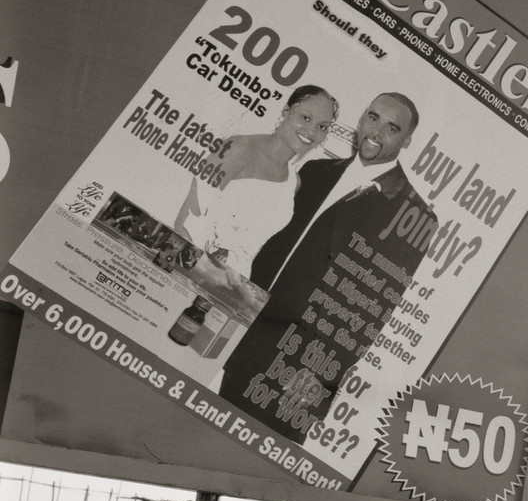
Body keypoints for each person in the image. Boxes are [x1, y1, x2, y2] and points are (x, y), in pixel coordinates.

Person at [219, 92, 434, 444]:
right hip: (244, 330)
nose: (376, 132)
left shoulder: (414, 214)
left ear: (406, 140)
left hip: (300, 364)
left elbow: (372, 310)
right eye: (373, 117)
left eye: (392, 128)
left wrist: (319, 374)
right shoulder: (312, 171)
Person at [175, 85, 338, 280]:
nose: (311, 131)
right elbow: (185, 222)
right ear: (286, 112)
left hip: (233, 284)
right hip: (189, 270)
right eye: (306, 117)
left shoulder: (293, 183)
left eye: (322, 126)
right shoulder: (237, 148)